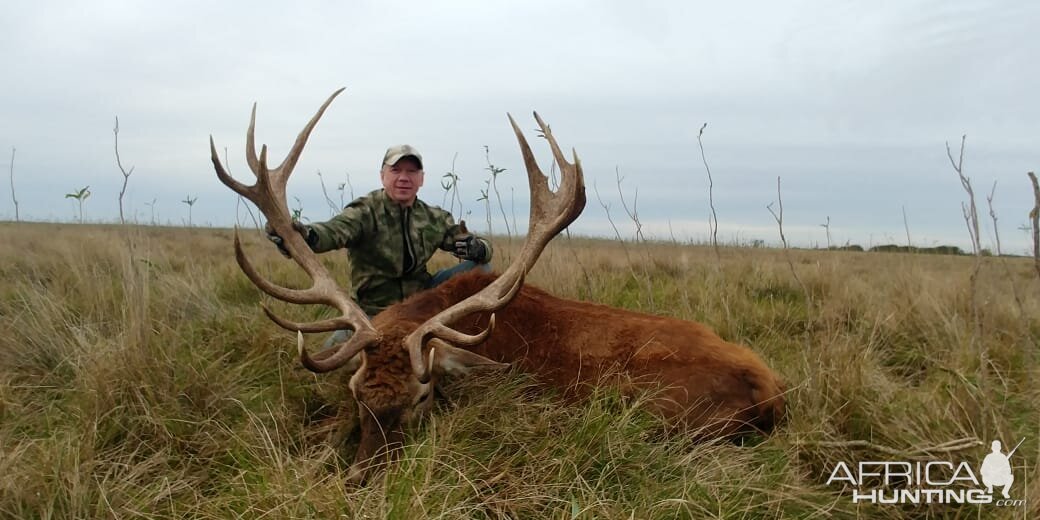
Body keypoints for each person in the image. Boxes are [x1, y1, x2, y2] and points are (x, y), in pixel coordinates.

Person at [265, 144, 492, 347]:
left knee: (481, 270)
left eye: (411, 171)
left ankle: (482, 334)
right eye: (396, 170)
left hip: (421, 304)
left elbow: (464, 240)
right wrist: (306, 236)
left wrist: (479, 248)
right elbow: (332, 231)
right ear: (382, 176)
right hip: (372, 311)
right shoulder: (364, 212)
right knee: (332, 358)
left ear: (421, 179)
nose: (404, 177)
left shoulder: (434, 217)